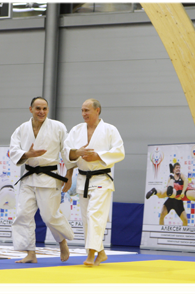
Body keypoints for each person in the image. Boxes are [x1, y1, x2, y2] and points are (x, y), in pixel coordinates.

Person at [10, 97, 74, 263]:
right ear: (30, 109)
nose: (42, 112)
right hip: (29, 177)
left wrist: (69, 175)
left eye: (45, 108)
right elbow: (13, 150)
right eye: (38, 108)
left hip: (49, 177)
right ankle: (30, 253)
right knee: (23, 214)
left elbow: (67, 152)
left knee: (49, 216)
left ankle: (62, 241)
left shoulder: (58, 127)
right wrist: (27, 154)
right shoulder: (21, 129)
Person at [64, 98, 125, 266]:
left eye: (87, 110)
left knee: (95, 215)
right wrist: (77, 152)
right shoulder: (76, 130)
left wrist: (98, 155)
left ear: (97, 110)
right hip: (83, 178)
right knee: (86, 218)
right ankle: (101, 253)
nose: (84, 114)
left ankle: (91, 255)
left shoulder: (110, 130)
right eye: (82, 110)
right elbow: (66, 152)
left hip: (101, 178)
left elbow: (120, 152)